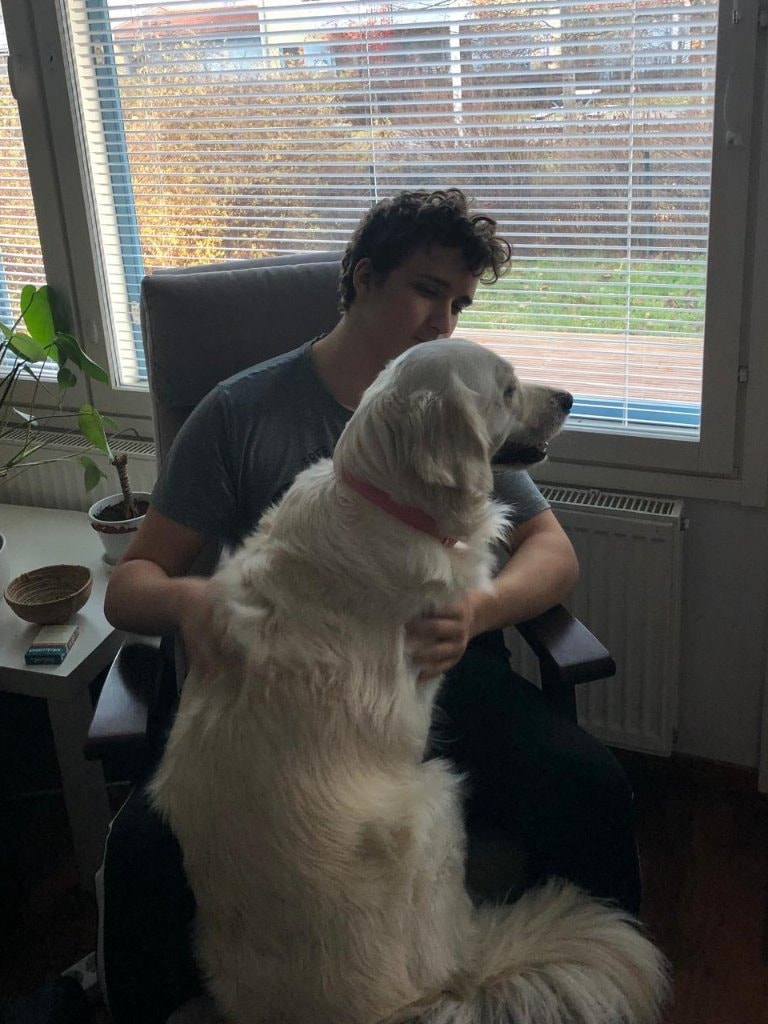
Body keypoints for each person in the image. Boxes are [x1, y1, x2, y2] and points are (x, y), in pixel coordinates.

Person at [101, 188, 641, 1024]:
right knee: (141, 852)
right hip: (299, 710)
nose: (444, 321)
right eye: (427, 290)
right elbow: (129, 583)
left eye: (459, 304)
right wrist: (188, 600)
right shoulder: (241, 412)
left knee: (592, 785)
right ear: (361, 279)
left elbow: (554, 553)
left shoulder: (459, 401)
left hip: (442, 671)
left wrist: (480, 612)